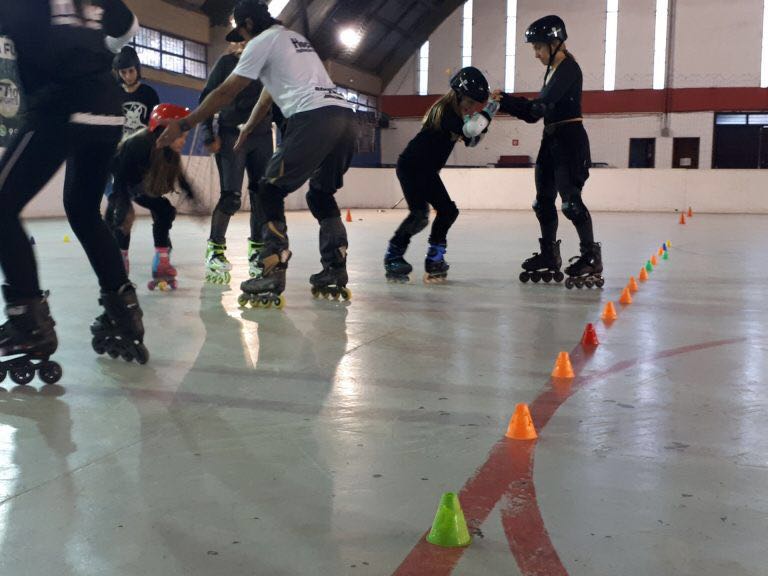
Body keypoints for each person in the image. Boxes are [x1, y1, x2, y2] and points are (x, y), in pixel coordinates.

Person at [157, 0, 357, 308]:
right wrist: (249, 127)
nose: (241, 39)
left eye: (240, 32)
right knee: (320, 194)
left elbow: (225, 92)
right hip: (344, 117)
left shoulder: (261, 41)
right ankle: (335, 266)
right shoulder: (294, 39)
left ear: (248, 24)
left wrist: (184, 123)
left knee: (268, 189)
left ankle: (273, 269)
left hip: (312, 117)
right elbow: (268, 92)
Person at [0, 0, 149, 380]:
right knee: (83, 210)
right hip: (108, 109)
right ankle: (124, 313)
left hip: (61, 106)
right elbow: (130, 26)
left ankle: (27, 323)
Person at [494, 15, 603, 289]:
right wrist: (505, 101)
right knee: (542, 202)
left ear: (555, 43)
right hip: (551, 139)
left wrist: (506, 100)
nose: (536, 54)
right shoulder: (553, 70)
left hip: (569, 141)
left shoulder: (568, 68)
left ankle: (591, 257)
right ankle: (549, 254)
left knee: (571, 203)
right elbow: (535, 114)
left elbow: (537, 109)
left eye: (538, 47)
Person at [384, 67, 498, 283]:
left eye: (475, 104)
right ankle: (409, 257)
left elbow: (472, 141)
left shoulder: (456, 116)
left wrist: (485, 119)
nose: (471, 107)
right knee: (432, 214)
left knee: (429, 214)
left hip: (423, 169)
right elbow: (472, 131)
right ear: (458, 95)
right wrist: (491, 108)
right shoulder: (445, 111)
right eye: (470, 102)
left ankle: (419, 257)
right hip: (413, 166)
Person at [201, 42, 273, 285]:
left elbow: (279, 101)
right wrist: (208, 134)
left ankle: (257, 250)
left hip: (262, 136)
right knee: (231, 196)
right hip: (232, 133)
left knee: (261, 196)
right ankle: (215, 251)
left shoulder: (268, 65)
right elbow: (208, 95)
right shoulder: (227, 63)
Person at [106, 104, 195, 291]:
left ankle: (161, 260)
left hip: (137, 183)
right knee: (122, 217)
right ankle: (120, 262)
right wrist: (123, 207)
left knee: (165, 210)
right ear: (164, 130)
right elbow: (120, 180)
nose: (184, 141)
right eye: (181, 136)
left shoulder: (168, 150)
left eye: (186, 137)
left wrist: (193, 197)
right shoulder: (139, 144)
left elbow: (181, 177)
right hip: (115, 177)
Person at [113, 45, 160, 138]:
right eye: (123, 72)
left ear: (137, 69)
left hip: (142, 143)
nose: (128, 76)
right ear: (118, 73)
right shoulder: (114, 93)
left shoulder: (149, 93)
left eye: (131, 71)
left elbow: (156, 125)